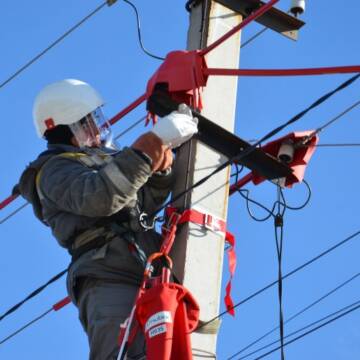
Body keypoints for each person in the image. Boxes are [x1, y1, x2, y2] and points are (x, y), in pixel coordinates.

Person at [18, 79, 198, 359]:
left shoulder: (101, 159)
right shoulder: (54, 171)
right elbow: (101, 196)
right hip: (107, 277)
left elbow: (140, 203)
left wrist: (160, 168)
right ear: (68, 128)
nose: (97, 129)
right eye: (88, 122)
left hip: (146, 273)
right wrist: (148, 148)